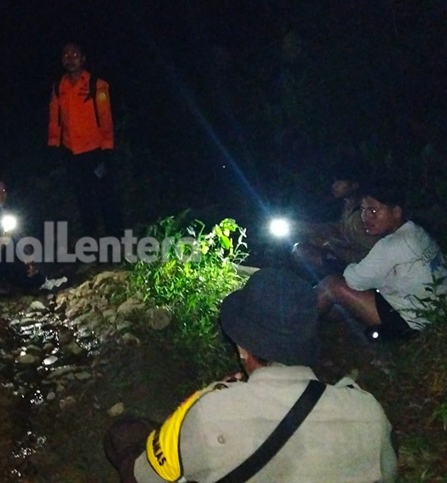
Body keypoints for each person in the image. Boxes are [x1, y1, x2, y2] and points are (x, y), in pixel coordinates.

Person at [105, 268, 397, 482]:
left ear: (243, 349)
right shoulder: (368, 412)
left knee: (125, 436)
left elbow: (143, 477)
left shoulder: (210, 411)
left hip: (192, 438)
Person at [316, 177, 447, 341]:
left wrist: (348, 266)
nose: (366, 217)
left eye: (373, 211)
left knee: (331, 285)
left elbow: (353, 280)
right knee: (343, 302)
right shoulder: (416, 231)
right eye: (363, 210)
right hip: (436, 313)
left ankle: (294, 325)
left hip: (414, 323)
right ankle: (313, 320)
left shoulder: (392, 244)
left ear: (396, 212)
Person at [48, 42, 123, 238]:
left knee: (105, 195)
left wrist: (107, 149)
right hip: (71, 152)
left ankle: (115, 238)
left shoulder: (96, 84)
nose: (70, 59)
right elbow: (55, 117)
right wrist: (54, 144)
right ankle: (90, 241)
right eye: (66, 55)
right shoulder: (59, 86)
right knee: (83, 198)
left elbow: (106, 118)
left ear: (82, 59)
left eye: (75, 55)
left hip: (95, 151)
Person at [291, 164, 381, 280]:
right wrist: (312, 229)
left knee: (303, 251)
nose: (334, 186)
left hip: (358, 268)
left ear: (354, 185)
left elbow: (370, 254)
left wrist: (331, 246)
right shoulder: (348, 207)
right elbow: (340, 229)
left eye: (340, 182)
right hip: (347, 257)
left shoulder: (360, 215)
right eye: (334, 182)